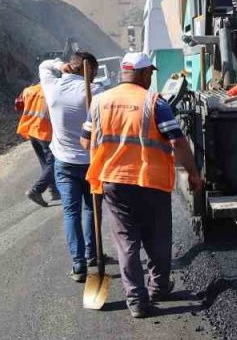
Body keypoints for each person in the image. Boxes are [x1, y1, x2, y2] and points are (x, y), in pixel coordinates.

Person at [83, 52, 204, 318]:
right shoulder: (154, 102)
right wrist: (193, 173)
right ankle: (158, 288)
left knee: (127, 241)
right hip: (150, 181)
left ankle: (136, 301)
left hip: (114, 182)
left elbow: (85, 141)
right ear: (145, 73)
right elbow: (177, 141)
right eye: (150, 73)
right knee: (157, 237)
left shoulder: (99, 101)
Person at [40, 51, 104, 282]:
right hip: (91, 162)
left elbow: (44, 66)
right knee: (92, 210)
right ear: (91, 71)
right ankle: (92, 254)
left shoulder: (52, 87)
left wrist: (59, 65)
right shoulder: (95, 91)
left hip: (64, 163)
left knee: (71, 213)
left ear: (70, 66)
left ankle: (79, 264)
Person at [14, 82, 59, 207]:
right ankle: (36, 190)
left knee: (45, 163)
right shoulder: (52, 90)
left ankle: (54, 191)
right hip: (45, 131)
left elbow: (18, 105)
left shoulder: (28, 90)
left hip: (31, 130)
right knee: (54, 162)